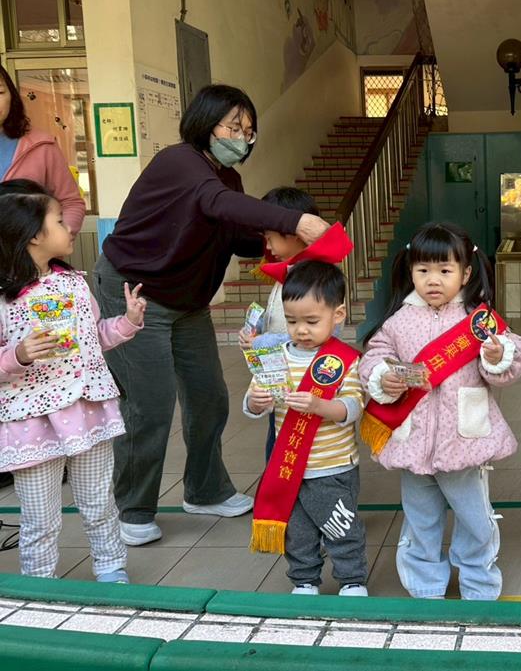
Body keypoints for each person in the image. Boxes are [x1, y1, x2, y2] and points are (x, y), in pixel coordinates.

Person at [91, 84, 330, 547]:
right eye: (233, 126)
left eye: (248, 130)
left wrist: (282, 244)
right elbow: (215, 202)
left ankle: (205, 490)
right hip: (135, 294)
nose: (242, 137)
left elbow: (234, 235)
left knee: (210, 397)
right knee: (150, 404)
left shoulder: (228, 180)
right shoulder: (180, 162)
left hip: (187, 303)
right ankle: (132, 508)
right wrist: (292, 222)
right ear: (206, 123)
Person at [359, 222, 521, 600]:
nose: (433, 280)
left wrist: (498, 356)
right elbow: (373, 357)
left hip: (464, 440)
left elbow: (512, 360)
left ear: (465, 274)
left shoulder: (479, 320)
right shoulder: (398, 321)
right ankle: (425, 585)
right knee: (420, 518)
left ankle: (478, 584)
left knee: (474, 520)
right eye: (423, 270)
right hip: (414, 442)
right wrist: (383, 377)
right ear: (411, 272)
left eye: (444, 270)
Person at [0, 185, 145, 581]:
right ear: (33, 235)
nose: (70, 228)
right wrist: (18, 355)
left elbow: (93, 338)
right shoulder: (4, 296)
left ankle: (111, 568)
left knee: (99, 502)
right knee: (40, 517)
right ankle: (39, 584)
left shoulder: (74, 283)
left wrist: (128, 322)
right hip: (31, 422)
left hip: (88, 409)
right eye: (60, 222)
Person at [244, 261, 368, 596]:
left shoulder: (345, 359)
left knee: (341, 527)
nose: (300, 330)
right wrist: (256, 402)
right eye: (292, 320)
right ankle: (304, 580)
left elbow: (353, 407)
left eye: (312, 321)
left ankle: (352, 580)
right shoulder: (274, 357)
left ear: (337, 315)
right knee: (297, 532)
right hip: (288, 468)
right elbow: (254, 402)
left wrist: (320, 406)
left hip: (333, 466)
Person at [238, 186, 322, 462]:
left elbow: (316, 334)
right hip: (280, 375)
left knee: (297, 445)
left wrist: (261, 342)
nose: (267, 245)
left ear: (294, 232)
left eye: (270, 236)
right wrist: (257, 331)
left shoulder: (314, 277)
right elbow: (280, 321)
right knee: (278, 440)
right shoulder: (289, 269)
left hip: (303, 377)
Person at [0, 64, 86, 235]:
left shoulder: (41, 145)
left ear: (12, 96)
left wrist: (59, 237)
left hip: (29, 251)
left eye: (0, 92)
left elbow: (70, 203)